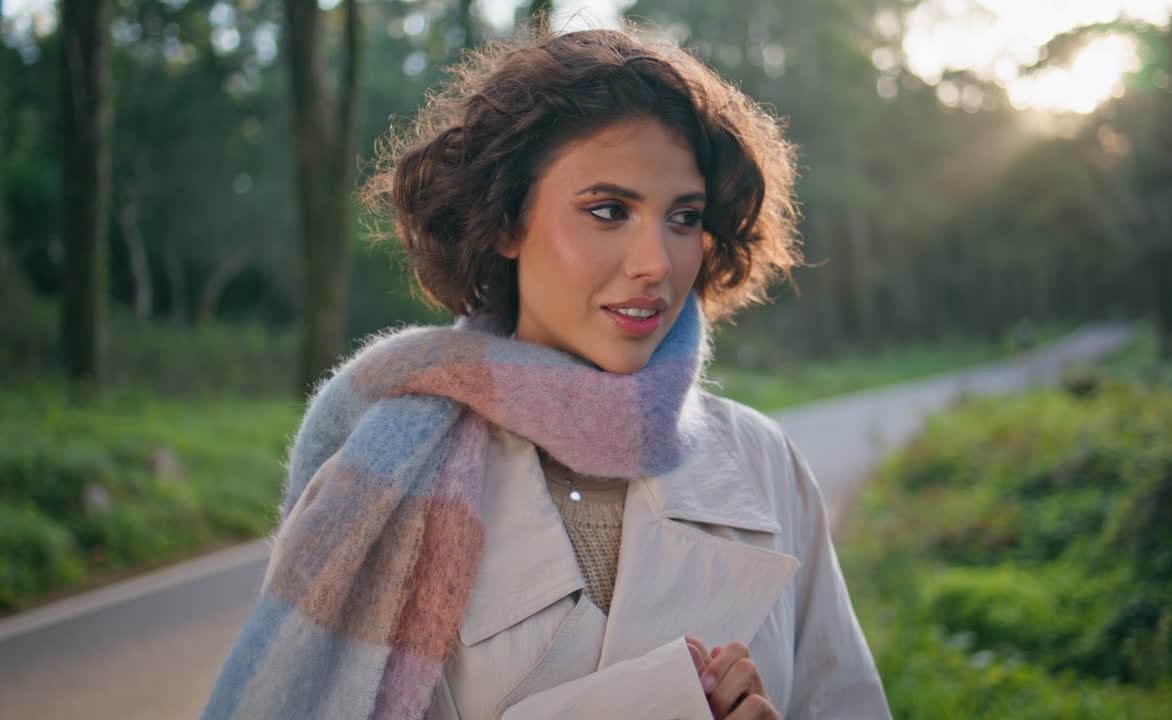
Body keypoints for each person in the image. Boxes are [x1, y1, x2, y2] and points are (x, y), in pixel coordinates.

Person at [202, 26, 891, 720]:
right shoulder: (388, 476)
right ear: (508, 221)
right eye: (608, 211)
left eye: (684, 217)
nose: (656, 262)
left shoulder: (764, 461)